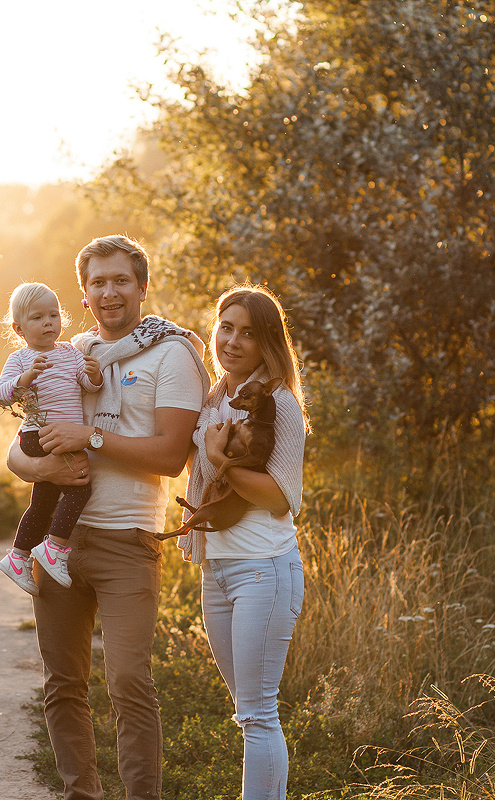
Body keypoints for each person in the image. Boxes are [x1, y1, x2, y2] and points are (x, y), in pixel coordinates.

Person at [7, 235, 210, 800]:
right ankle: (81, 792)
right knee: (64, 684)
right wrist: (43, 473)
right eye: (98, 281)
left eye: (121, 280)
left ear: (142, 287)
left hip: (129, 540)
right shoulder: (67, 352)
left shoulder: (173, 354)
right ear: (84, 292)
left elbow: (172, 455)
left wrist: (90, 435)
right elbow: (16, 451)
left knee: (127, 681)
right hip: (59, 542)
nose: (110, 291)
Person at [177, 285, 309, 800]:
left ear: (266, 342)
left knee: (258, 713)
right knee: (247, 711)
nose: (232, 340)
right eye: (226, 327)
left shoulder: (278, 403)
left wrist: (224, 459)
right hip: (218, 570)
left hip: (264, 568)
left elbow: (279, 497)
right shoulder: (215, 396)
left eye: (247, 333)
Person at [0, 282, 103, 595]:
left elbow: (87, 384)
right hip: (38, 434)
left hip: (59, 436)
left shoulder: (70, 352)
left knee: (42, 502)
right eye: (38, 318)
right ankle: (54, 548)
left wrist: (94, 375)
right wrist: (27, 378)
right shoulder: (19, 359)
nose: (48, 323)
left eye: (53, 315)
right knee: (79, 486)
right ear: (19, 328)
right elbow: (2, 396)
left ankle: (17, 557)